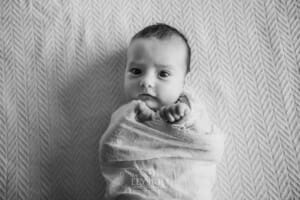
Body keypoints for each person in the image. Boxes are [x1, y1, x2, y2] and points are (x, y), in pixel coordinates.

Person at [99, 23, 225, 200]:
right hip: (137, 189)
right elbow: (111, 149)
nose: (146, 82)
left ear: (183, 80)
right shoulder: (124, 115)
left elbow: (208, 144)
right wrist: (136, 115)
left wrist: (184, 119)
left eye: (163, 74)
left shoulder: (191, 108)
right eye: (136, 71)